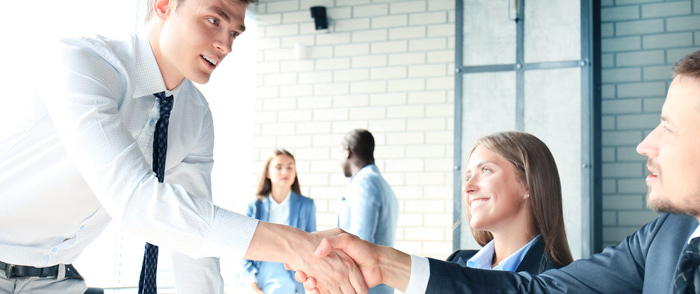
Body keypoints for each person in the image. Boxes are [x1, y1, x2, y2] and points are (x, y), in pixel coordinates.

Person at [0, 0, 366, 293]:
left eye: (235, 32)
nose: (226, 45)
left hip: (56, 281)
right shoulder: (80, 64)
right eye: (213, 21)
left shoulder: (194, 116)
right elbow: (138, 203)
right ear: (163, 5)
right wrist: (298, 246)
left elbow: (196, 247)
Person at [301, 49, 700, 294]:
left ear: (529, 184)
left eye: (668, 127)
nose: (645, 145)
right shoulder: (667, 233)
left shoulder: (555, 266)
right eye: (467, 174)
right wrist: (385, 265)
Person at [446, 131, 572, 274]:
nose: (467, 188)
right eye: (468, 177)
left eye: (485, 170)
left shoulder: (557, 282)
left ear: (528, 184)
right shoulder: (456, 262)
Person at [242, 150, 316, 294]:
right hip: (257, 274)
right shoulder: (254, 205)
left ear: (295, 173)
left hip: (291, 275)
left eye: (290, 167)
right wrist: (253, 286)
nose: (285, 172)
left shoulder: (307, 205)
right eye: (278, 167)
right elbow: (243, 246)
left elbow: (312, 245)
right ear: (268, 173)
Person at [337, 129, 399, 294]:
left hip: (363, 288)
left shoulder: (364, 184)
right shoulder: (383, 186)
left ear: (347, 151)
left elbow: (359, 243)